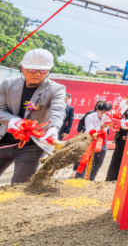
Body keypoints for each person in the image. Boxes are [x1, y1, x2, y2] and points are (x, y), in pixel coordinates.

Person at [0, 49, 66, 183]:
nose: (37, 74)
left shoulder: (56, 89)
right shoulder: (7, 84)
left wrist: (53, 128)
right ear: (22, 67)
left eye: (43, 71)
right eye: (32, 70)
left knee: (19, 185)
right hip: (4, 139)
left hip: (32, 145)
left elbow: (58, 110)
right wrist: (13, 121)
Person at [106, 77, 128, 181]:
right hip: (121, 138)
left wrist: (126, 124)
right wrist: (112, 123)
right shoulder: (125, 102)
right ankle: (110, 183)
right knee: (116, 160)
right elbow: (117, 117)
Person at [75, 101, 112, 181]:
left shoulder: (111, 117)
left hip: (102, 141)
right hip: (89, 139)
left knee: (98, 162)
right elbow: (90, 132)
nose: (105, 116)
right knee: (84, 160)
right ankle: (78, 179)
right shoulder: (90, 117)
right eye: (103, 113)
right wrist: (102, 126)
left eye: (107, 113)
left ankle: (91, 179)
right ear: (98, 111)